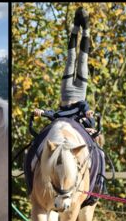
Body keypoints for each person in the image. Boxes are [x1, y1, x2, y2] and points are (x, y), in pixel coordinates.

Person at [33, 7, 98, 135]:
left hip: (66, 92)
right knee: (83, 60)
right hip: (80, 93)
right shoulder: (84, 119)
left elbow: (53, 114)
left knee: (71, 60)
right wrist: (88, 114)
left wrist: (42, 112)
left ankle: (75, 27)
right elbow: (84, 106)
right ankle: (86, 30)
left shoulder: (60, 118)